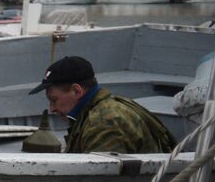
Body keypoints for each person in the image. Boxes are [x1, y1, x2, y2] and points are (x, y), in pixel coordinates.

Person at [29, 55, 176, 154]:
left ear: (77, 90)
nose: (52, 109)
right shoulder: (107, 107)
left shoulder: (104, 123)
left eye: (54, 100)